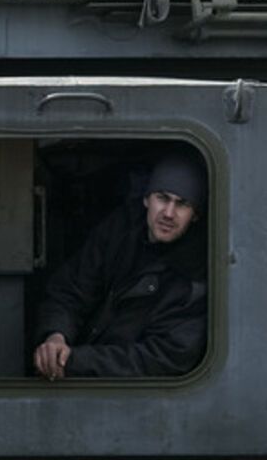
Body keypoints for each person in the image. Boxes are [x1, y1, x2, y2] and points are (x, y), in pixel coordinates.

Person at [32, 151, 208, 379]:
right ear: (146, 199)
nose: (168, 213)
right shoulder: (119, 232)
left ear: (194, 215)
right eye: (162, 198)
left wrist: (72, 361)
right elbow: (71, 290)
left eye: (182, 204)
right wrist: (55, 336)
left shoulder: (193, 280)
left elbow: (163, 357)